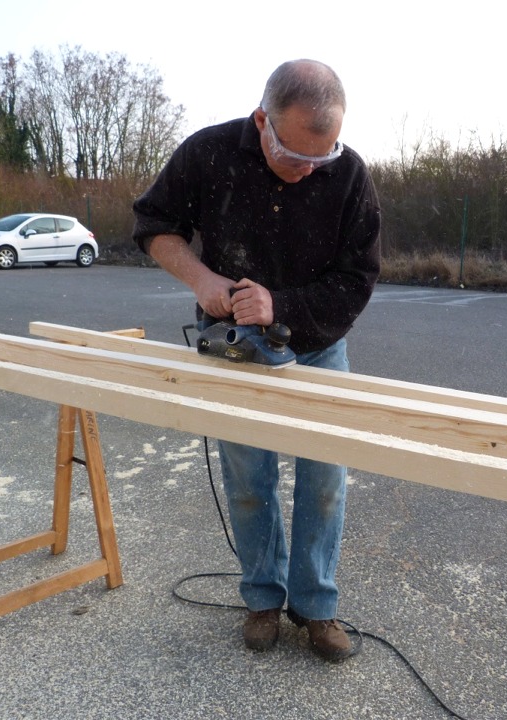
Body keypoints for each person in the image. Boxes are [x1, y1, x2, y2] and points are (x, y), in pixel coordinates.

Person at [131, 59, 381, 663]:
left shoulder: (349, 175)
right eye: (293, 155)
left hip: (318, 346)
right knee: (249, 479)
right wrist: (201, 278)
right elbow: (153, 224)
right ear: (262, 120)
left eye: (321, 157)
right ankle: (262, 598)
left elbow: (357, 282)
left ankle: (315, 606)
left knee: (325, 479)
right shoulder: (208, 153)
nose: (307, 170)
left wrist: (281, 305)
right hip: (237, 347)